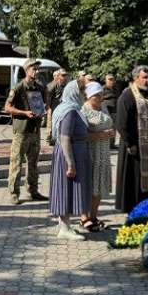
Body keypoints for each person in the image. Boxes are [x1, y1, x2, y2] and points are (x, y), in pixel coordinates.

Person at [115, 65, 148, 213]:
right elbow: (121, 123)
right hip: (134, 146)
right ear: (136, 78)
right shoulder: (128, 95)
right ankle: (133, 206)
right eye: (145, 77)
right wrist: (130, 143)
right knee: (133, 177)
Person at [49, 81, 92, 240]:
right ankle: (65, 228)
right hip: (70, 154)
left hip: (71, 153)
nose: (84, 95)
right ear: (74, 92)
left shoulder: (68, 108)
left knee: (66, 189)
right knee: (66, 189)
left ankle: (64, 225)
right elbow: (65, 137)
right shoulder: (70, 111)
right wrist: (71, 163)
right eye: (82, 91)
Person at [5, 58, 48, 204]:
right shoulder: (18, 88)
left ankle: (33, 191)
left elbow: (43, 104)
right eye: (34, 69)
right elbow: (7, 107)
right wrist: (24, 113)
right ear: (26, 70)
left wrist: (43, 111)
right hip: (22, 131)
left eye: (37, 69)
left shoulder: (40, 88)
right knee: (16, 163)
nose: (36, 72)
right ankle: (14, 193)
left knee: (33, 162)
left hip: (35, 130)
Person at [81, 82, 114, 232]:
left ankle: (94, 217)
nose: (100, 97)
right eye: (97, 95)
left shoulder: (104, 106)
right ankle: (84, 218)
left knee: (99, 187)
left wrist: (112, 132)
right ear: (89, 96)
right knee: (89, 187)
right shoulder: (83, 110)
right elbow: (81, 135)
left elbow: (109, 122)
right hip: (91, 153)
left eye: (101, 94)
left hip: (104, 153)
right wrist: (101, 135)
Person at [45, 69, 68, 145]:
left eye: (65, 75)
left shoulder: (65, 84)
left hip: (62, 107)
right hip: (53, 106)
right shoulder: (53, 85)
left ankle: (57, 138)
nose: (64, 77)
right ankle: (50, 138)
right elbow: (48, 98)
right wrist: (48, 108)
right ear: (58, 76)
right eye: (63, 75)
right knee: (51, 123)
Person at [102, 74, 120, 149]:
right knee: (107, 127)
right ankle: (106, 144)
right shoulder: (103, 89)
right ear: (105, 80)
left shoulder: (116, 88)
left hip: (115, 110)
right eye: (109, 79)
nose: (111, 81)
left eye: (112, 79)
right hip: (106, 110)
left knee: (113, 127)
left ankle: (112, 144)